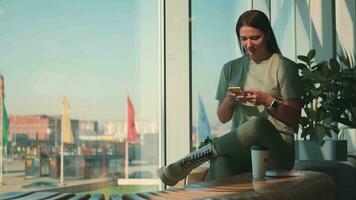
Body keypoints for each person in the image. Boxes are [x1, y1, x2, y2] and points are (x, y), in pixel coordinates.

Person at [157, 9, 302, 186]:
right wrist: (230, 99)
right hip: (243, 151)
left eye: (255, 38)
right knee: (221, 162)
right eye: (244, 39)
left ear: (268, 35)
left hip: (276, 153)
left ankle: (190, 160)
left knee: (258, 123)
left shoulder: (285, 67)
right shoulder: (230, 69)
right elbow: (223, 117)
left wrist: (267, 100)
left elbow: (295, 116)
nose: (249, 44)